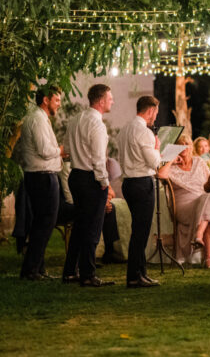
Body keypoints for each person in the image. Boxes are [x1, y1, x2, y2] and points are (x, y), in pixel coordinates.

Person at [62, 83, 114, 287]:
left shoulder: (75, 119)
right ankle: (87, 274)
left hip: (75, 176)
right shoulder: (97, 125)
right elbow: (98, 158)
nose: (112, 101)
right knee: (92, 227)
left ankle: (69, 271)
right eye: (110, 98)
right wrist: (104, 182)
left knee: (80, 226)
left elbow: (65, 148)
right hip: (91, 178)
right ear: (101, 101)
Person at [117, 95, 168, 288]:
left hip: (128, 182)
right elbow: (154, 163)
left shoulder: (124, 130)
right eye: (155, 112)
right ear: (150, 111)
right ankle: (133, 276)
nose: (156, 116)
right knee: (141, 231)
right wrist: (157, 148)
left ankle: (141, 273)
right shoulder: (145, 132)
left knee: (139, 229)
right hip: (141, 182)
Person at [17, 85, 66, 280]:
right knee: (45, 222)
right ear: (45, 100)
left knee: (42, 222)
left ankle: (37, 269)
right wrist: (60, 150)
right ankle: (30, 270)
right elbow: (45, 150)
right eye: (56, 100)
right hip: (41, 176)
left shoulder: (40, 118)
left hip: (42, 175)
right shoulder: (37, 119)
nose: (59, 105)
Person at [158, 134, 210, 269]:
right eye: (180, 145)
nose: (184, 147)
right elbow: (161, 175)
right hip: (182, 206)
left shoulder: (199, 162)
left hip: (202, 201)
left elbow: (209, 184)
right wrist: (170, 159)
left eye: (186, 144)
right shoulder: (171, 166)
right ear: (175, 148)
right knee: (208, 206)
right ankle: (208, 258)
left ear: (191, 146)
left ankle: (199, 236)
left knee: (209, 199)